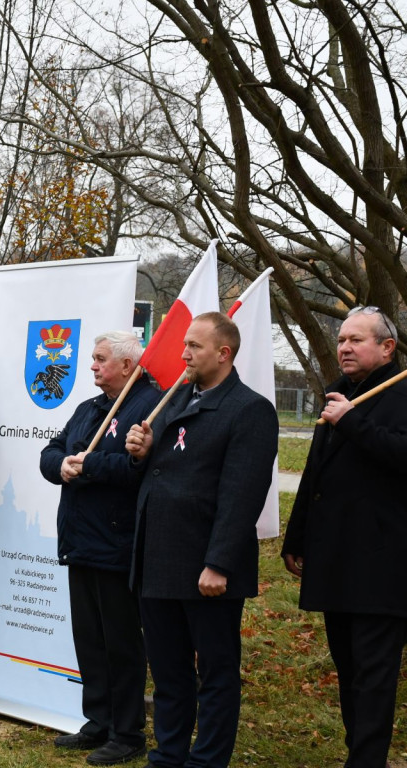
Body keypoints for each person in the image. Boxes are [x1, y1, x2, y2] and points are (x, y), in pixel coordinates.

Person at [124, 312, 277, 768]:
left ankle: (206, 760)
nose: (184, 353)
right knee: (169, 672)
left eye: (194, 346)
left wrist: (220, 563)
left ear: (224, 353)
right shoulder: (178, 399)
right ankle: (168, 755)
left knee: (215, 672)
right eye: (184, 345)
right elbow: (161, 472)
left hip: (205, 566)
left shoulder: (249, 410)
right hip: (159, 558)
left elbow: (242, 493)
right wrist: (143, 453)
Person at [281, 306, 407, 768]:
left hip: (384, 563)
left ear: (387, 347)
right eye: (341, 341)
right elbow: (316, 474)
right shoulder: (338, 393)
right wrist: (297, 537)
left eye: (356, 340)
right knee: (350, 669)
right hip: (335, 557)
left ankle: (368, 760)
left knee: (374, 675)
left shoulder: (401, 393)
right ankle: (361, 752)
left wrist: (352, 422)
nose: (345, 348)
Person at [39, 331, 159, 764]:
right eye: (92, 358)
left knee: (120, 642)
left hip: (117, 542)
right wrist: (63, 466)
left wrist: (86, 464)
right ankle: (98, 719)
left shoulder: (149, 405)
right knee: (89, 639)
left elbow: (136, 467)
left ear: (128, 366)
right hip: (79, 541)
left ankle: (128, 733)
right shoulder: (89, 408)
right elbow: (50, 453)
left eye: (100, 359)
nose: (91, 366)